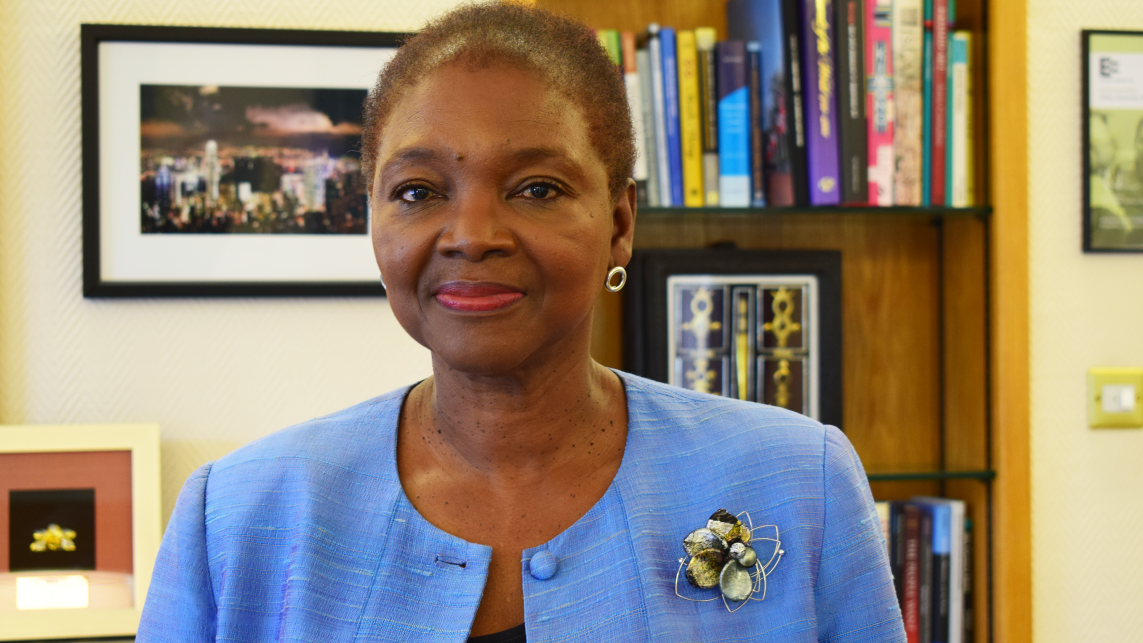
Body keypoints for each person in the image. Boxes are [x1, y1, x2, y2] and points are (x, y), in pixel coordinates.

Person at [136, 4, 905, 642]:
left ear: (619, 221)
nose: (472, 233)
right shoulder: (237, 516)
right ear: (369, 219)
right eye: (416, 191)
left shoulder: (801, 483)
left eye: (536, 188)